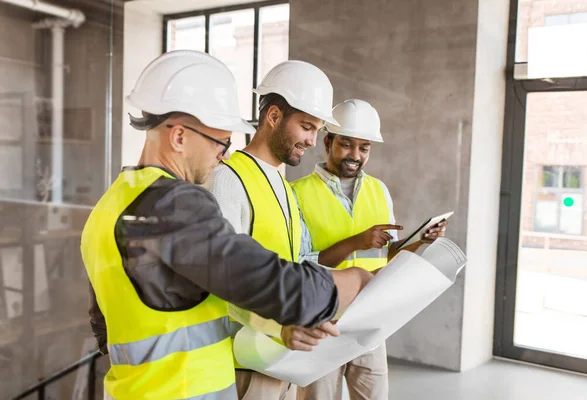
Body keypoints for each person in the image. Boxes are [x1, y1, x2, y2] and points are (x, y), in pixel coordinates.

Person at [81, 51, 373, 400]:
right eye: (220, 141)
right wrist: (352, 281)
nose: (223, 154)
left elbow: (103, 325)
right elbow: (259, 277)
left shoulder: (110, 205)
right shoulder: (173, 203)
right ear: (178, 137)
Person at [292, 99, 449, 400]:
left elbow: (386, 255)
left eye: (364, 148)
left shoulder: (379, 190)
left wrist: (421, 241)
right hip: (324, 319)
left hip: (372, 318)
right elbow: (301, 263)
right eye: (347, 145)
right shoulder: (297, 194)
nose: (355, 155)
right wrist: (356, 241)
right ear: (328, 142)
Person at [205, 59, 341, 400]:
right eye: (307, 127)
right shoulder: (229, 179)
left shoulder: (282, 185)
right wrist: (277, 327)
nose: (312, 141)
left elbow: (293, 261)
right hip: (248, 363)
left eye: (317, 130)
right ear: (274, 116)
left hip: (282, 356)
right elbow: (220, 282)